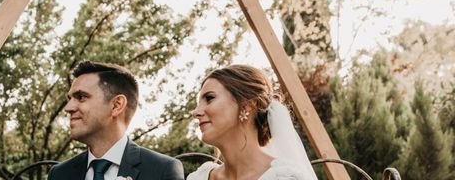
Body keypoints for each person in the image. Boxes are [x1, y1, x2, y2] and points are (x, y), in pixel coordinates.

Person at [48, 60, 184, 180]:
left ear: (116, 105)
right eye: (70, 99)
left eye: (81, 97)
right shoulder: (59, 174)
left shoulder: (162, 170)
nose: (68, 108)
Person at [188, 65, 317, 180]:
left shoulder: (284, 177)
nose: (195, 112)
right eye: (198, 103)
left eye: (209, 98)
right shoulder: (199, 177)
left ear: (247, 105)